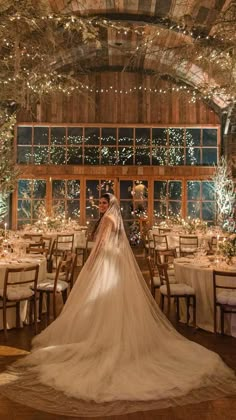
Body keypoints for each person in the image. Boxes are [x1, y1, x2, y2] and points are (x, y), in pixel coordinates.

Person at [0, 193, 236, 417]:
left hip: (105, 264)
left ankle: (105, 339)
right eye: (100, 204)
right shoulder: (114, 219)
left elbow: (100, 246)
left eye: (104, 203)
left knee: (101, 301)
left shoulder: (109, 220)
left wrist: (89, 266)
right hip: (112, 264)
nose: (101, 207)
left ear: (109, 205)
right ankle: (107, 336)